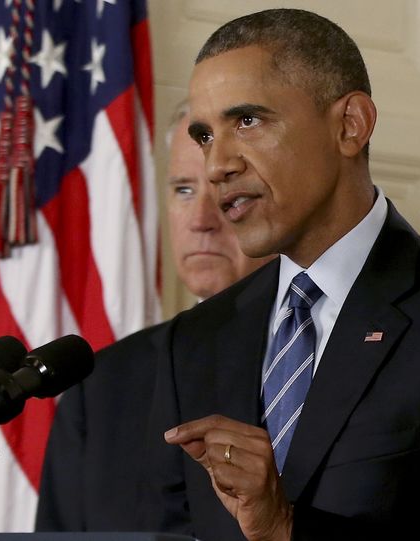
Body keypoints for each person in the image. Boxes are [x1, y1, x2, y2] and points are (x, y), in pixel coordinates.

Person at [150, 9, 420, 541]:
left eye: (248, 121)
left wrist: (286, 528)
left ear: (350, 125)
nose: (216, 166)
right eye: (206, 135)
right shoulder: (196, 338)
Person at [34, 102, 274, 531]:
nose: (201, 220)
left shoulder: (322, 356)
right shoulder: (101, 383)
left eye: (227, 189)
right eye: (183, 189)